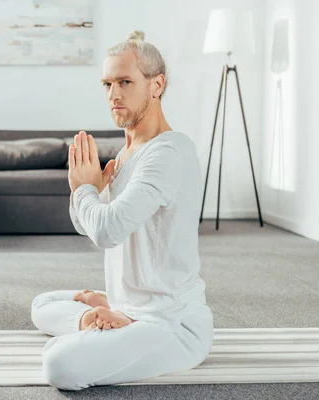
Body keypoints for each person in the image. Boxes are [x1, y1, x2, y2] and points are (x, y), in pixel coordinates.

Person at [30, 30, 214, 391]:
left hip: (171, 324)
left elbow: (106, 231)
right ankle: (105, 317)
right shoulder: (128, 154)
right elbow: (86, 226)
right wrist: (90, 193)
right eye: (107, 84)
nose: (113, 94)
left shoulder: (168, 153)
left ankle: (107, 324)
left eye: (125, 82)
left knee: (58, 364)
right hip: (127, 306)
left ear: (156, 85)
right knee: (42, 305)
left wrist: (85, 189)